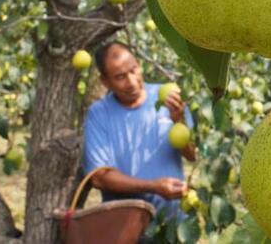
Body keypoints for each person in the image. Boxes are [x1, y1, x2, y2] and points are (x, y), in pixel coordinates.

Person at [83, 41, 196, 217]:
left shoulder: (168, 100)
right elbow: (99, 177)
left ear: (140, 65)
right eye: (120, 77)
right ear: (105, 81)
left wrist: (179, 121)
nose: (132, 82)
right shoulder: (99, 115)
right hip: (125, 227)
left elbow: (191, 155)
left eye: (134, 70)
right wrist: (154, 187)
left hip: (173, 224)